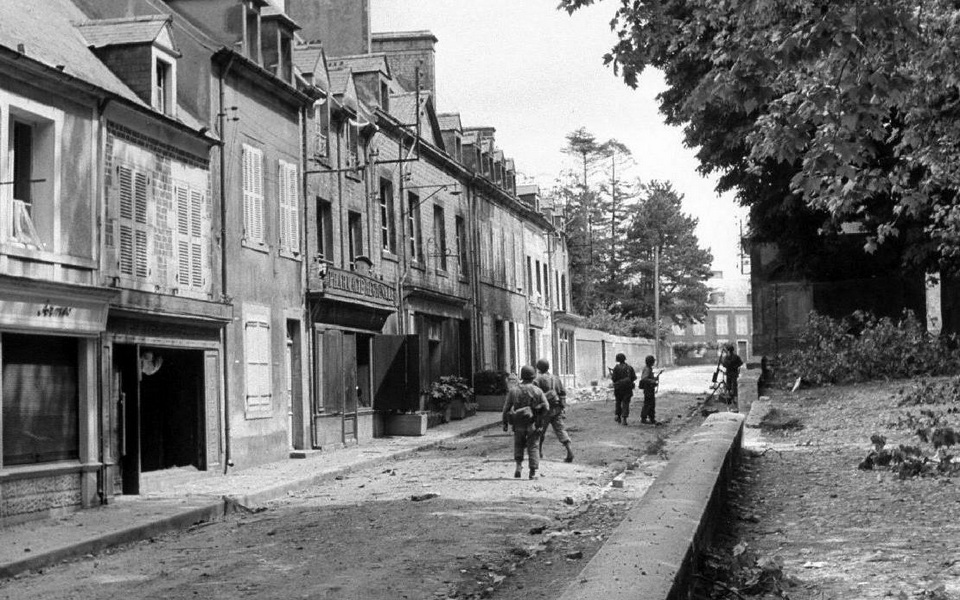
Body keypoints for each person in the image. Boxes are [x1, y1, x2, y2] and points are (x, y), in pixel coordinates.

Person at [502, 365, 550, 479]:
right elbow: (547, 407)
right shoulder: (538, 391)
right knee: (533, 446)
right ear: (533, 377)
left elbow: (506, 408)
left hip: (518, 423)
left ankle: (518, 467)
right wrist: (540, 417)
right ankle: (532, 472)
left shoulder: (514, 390)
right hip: (533, 423)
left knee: (518, 444)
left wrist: (505, 422)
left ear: (522, 376)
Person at [534, 358, 574, 463]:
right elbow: (562, 393)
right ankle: (569, 451)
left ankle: (539, 453)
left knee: (540, 431)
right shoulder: (556, 378)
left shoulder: (537, 380)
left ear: (538, 368)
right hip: (557, 409)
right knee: (561, 430)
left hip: (544, 410)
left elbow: (535, 396)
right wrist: (562, 407)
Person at [610, 353, 637, 426]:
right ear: (624, 359)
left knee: (618, 402)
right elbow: (634, 377)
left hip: (618, 388)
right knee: (626, 403)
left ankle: (618, 416)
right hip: (627, 388)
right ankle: (624, 418)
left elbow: (613, 379)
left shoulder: (616, 368)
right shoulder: (629, 367)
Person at [639, 355, 660, 424]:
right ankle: (644, 418)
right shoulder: (647, 369)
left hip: (649, 389)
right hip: (648, 390)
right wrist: (653, 381)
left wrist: (654, 378)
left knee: (651, 404)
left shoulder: (648, 368)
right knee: (648, 404)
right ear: (651, 362)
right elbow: (644, 378)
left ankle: (651, 418)